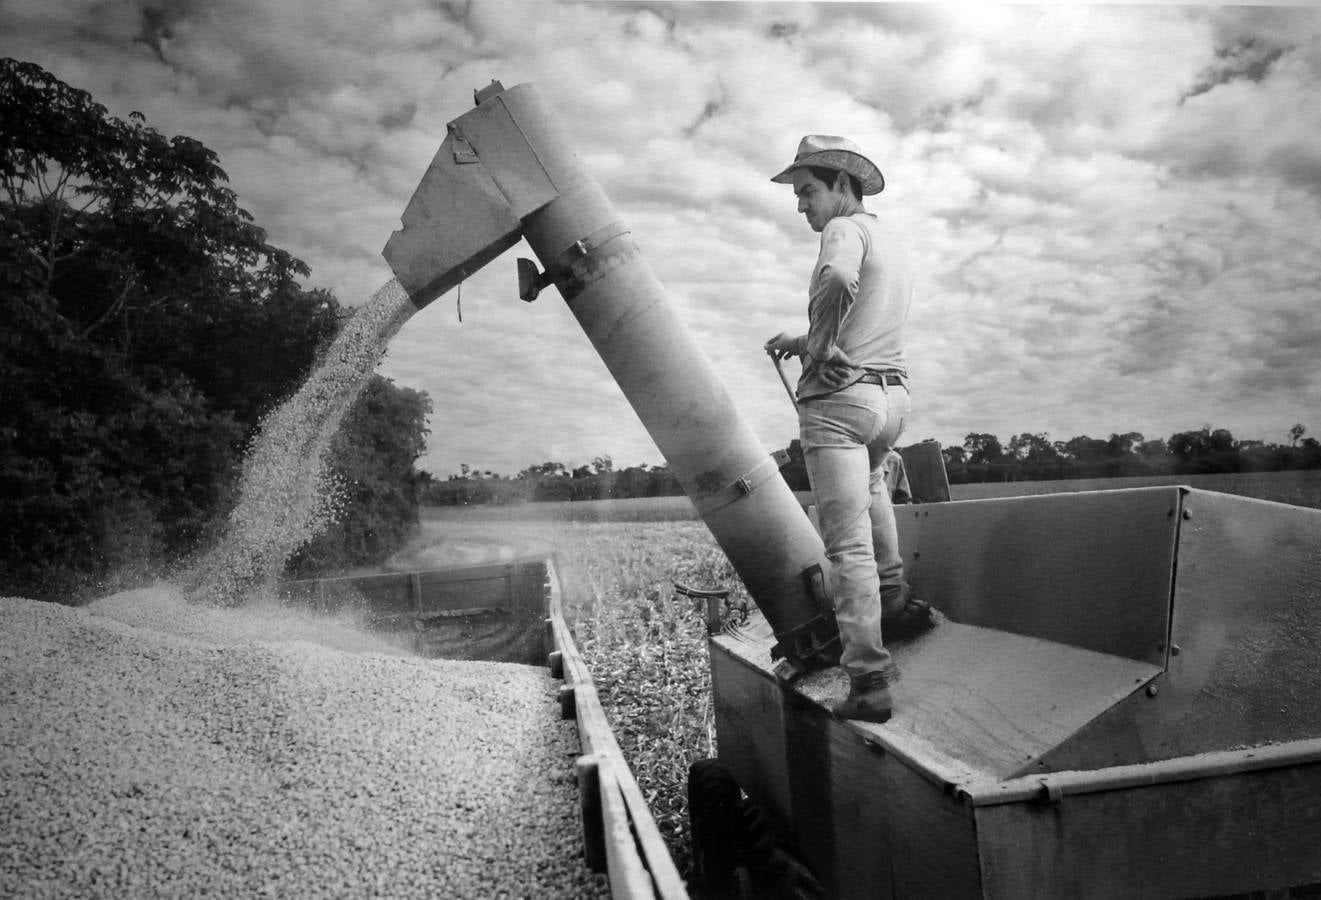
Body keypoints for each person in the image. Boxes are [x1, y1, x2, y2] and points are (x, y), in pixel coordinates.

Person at [764, 135, 935, 724]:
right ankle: (895, 600)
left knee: (845, 543)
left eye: (808, 191)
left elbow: (837, 280)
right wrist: (804, 338)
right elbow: (858, 310)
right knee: (872, 490)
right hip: (891, 398)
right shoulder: (890, 237)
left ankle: (868, 681)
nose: (801, 204)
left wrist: (817, 345)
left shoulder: (845, 231)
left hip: (839, 403)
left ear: (842, 185)